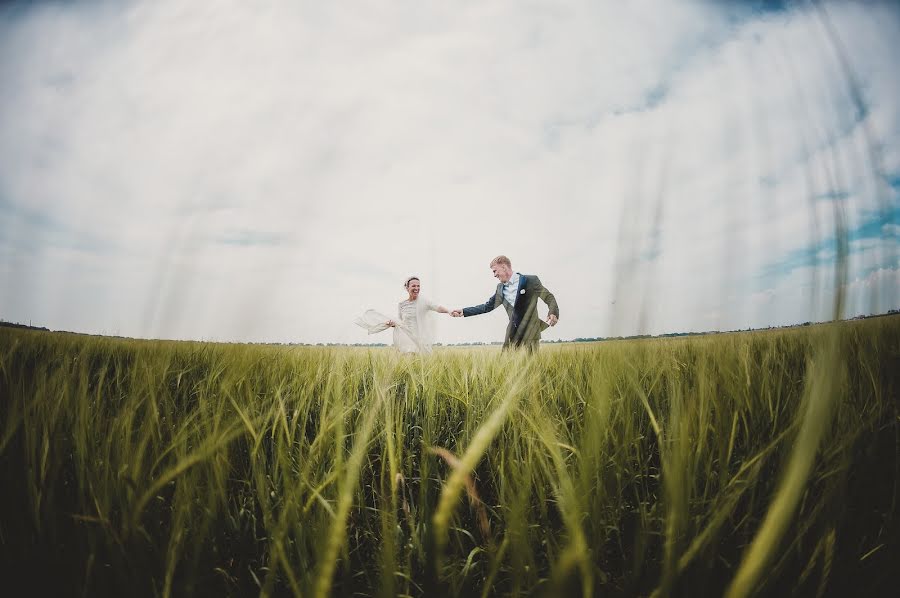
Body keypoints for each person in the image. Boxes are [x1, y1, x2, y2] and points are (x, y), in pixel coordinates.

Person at [450, 255, 558, 352]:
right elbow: (486, 307)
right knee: (509, 368)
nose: (494, 275)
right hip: (512, 336)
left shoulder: (531, 280)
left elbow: (548, 297)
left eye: (495, 271)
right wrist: (464, 311)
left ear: (504, 267)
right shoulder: (500, 289)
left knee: (532, 368)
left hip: (531, 334)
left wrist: (553, 312)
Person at [355, 276, 451, 354]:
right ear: (407, 287)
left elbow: (437, 307)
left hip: (421, 339)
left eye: (418, 286)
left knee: (423, 363)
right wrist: (393, 324)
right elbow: (401, 322)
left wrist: (449, 311)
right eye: (414, 286)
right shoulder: (402, 305)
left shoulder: (424, 301)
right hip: (407, 339)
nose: (416, 288)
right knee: (409, 361)